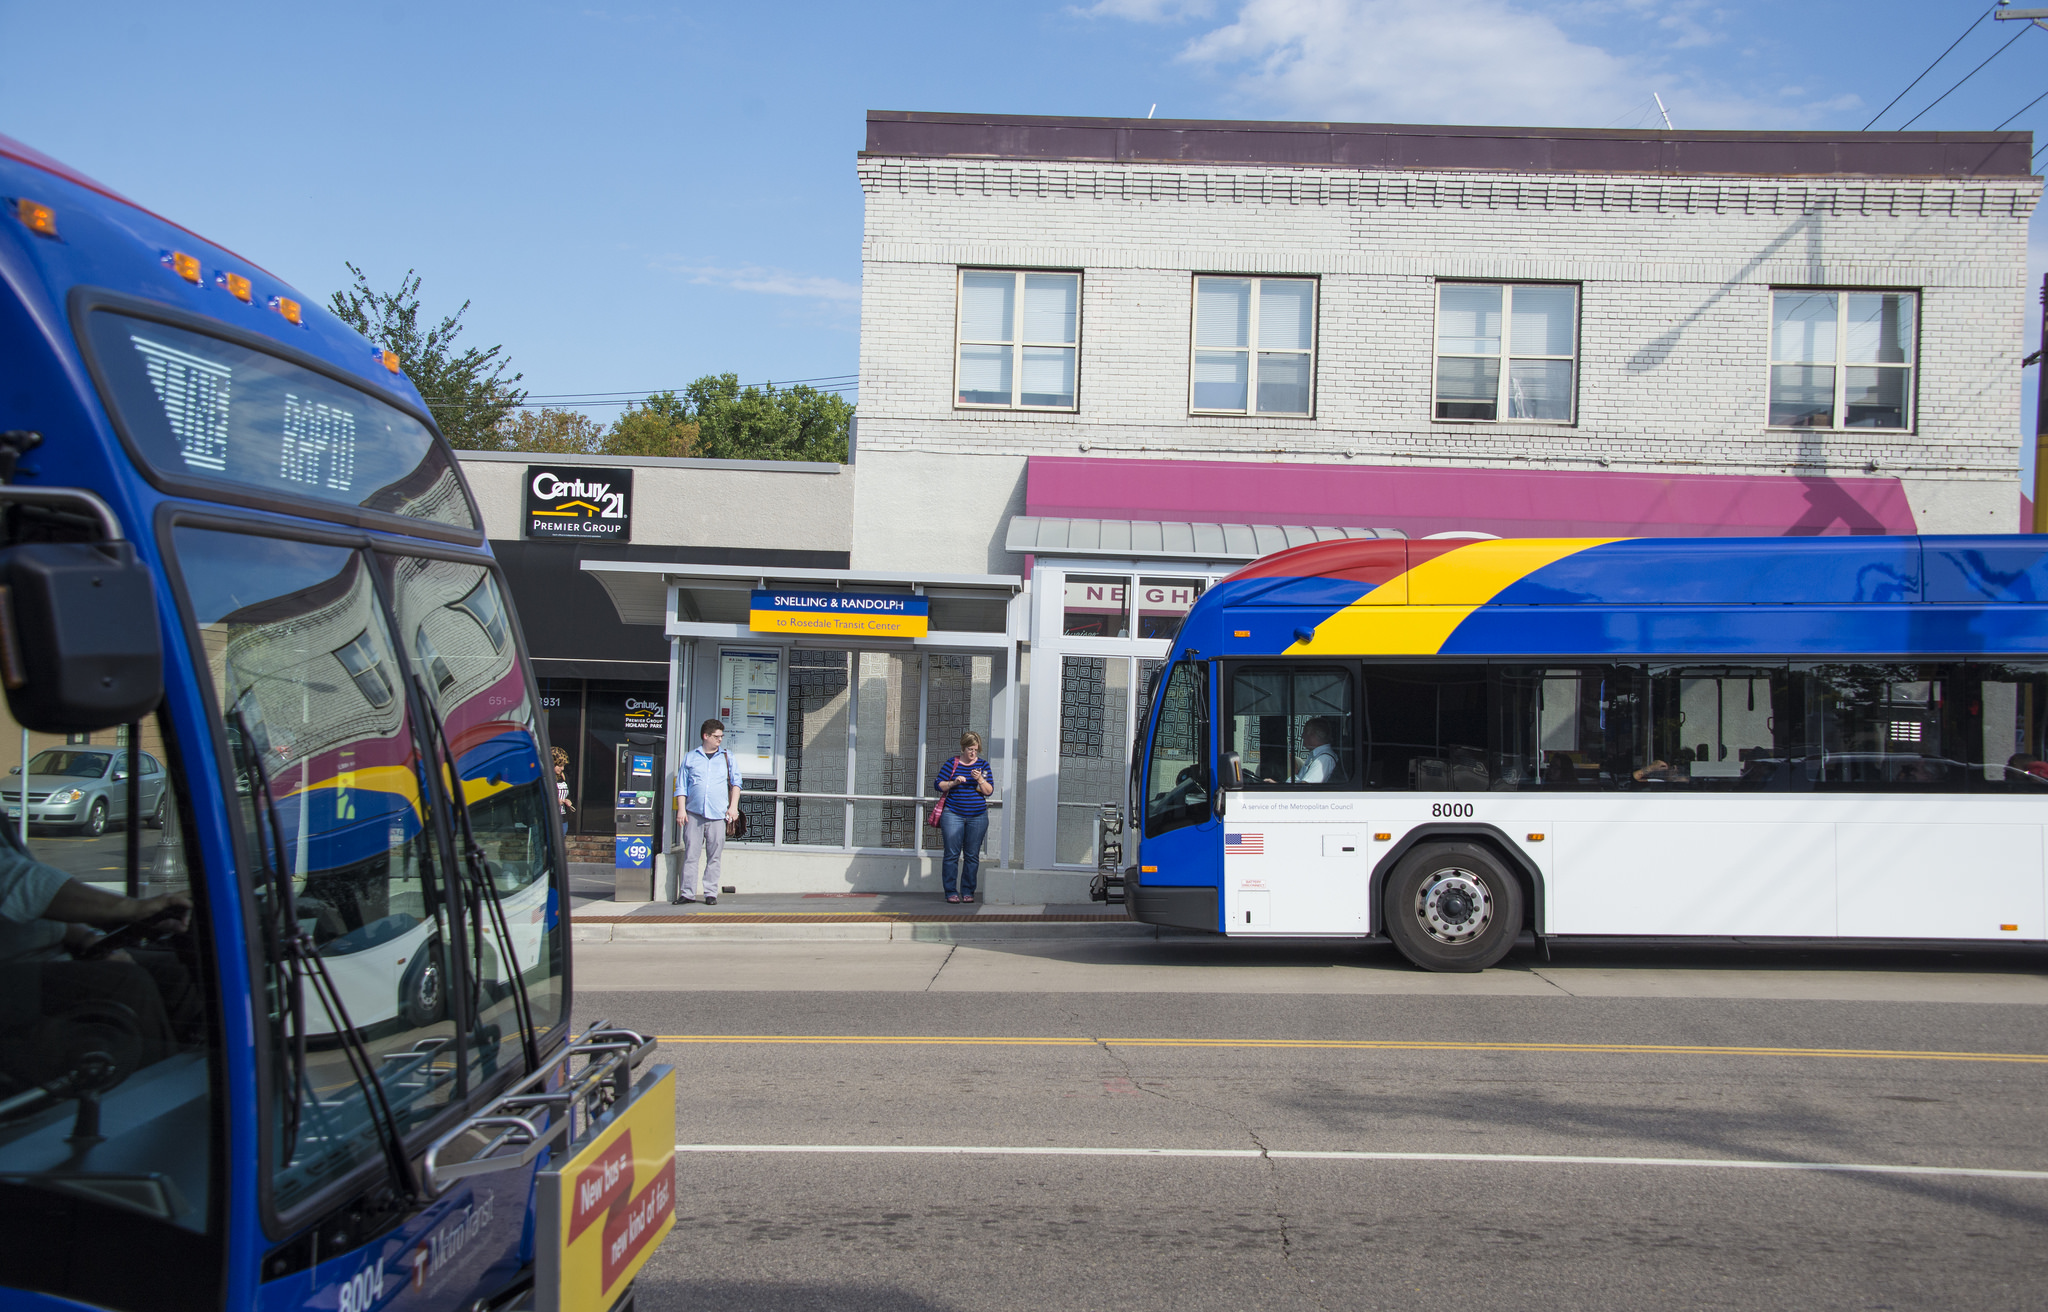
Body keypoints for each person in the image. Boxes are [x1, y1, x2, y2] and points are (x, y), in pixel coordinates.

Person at [672, 719, 740, 905]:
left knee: (714, 856)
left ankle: (710, 893)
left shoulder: (727, 757)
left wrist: (733, 807)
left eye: (721, 737)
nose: (720, 740)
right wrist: (681, 810)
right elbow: (681, 786)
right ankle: (687, 893)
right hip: (694, 814)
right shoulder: (691, 757)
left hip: (718, 815)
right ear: (706, 736)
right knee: (691, 855)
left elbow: (736, 784)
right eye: (716, 736)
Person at [933, 731, 995, 904]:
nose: (973, 753)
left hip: (977, 816)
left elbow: (989, 792)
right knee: (952, 854)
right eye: (970, 749)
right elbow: (938, 784)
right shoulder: (952, 764)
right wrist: (954, 783)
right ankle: (950, 891)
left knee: (972, 855)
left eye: (976, 749)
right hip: (953, 814)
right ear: (963, 747)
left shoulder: (983, 765)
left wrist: (980, 780)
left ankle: (968, 891)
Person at [551, 746, 575, 821]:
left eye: (563, 765)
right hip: (550, 819)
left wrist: (568, 800)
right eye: (560, 765)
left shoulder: (564, 776)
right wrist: (554, 801)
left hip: (562, 818)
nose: (562, 768)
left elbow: (567, 795)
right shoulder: (545, 778)